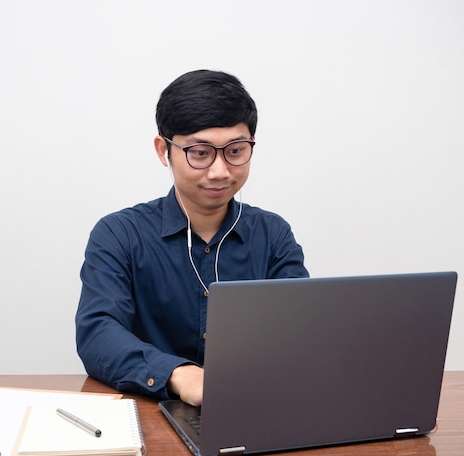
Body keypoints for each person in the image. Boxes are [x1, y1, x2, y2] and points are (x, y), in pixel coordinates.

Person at [75, 70, 308, 406]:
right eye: (200, 153)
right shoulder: (119, 234)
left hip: (251, 407)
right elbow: (97, 332)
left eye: (236, 151)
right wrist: (178, 374)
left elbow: (299, 332)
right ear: (163, 150)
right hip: (147, 412)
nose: (220, 171)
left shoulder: (273, 235)